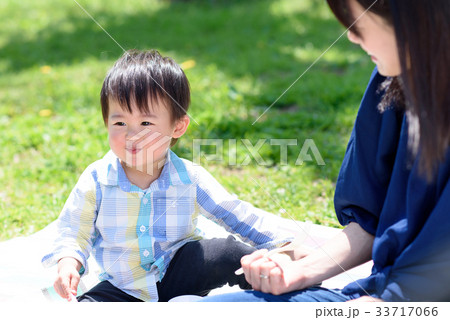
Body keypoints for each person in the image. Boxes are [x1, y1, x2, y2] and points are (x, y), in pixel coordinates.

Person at [201, 0, 450, 302]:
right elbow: (369, 221)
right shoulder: (390, 76)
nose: (351, 36)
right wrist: (300, 271)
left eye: (357, 22)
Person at [41, 49, 292, 302]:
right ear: (106, 122)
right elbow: (74, 231)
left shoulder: (189, 178)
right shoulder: (97, 179)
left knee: (229, 253)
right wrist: (68, 263)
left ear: (177, 127)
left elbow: (234, 214)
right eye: (120, 123)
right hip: (121, 285)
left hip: (180, 270)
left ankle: (278, 289)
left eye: (146, 124)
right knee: (84, 308)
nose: (132, 135)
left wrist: (280, 246)